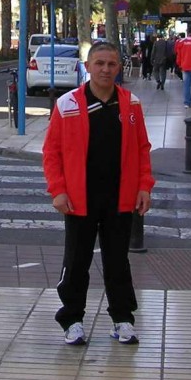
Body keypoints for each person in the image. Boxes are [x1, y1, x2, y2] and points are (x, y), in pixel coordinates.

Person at [43, 41, 155, 346]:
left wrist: (144, 186)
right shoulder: (67, 104)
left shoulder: (131, 105)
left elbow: (142, 149)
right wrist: (58, 191)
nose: (106, 69)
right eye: (100, 63)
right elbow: (51, 153)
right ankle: (72, 320)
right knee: (76, 261)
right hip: (79, 199)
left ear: (119, 67)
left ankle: (122, 319)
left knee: (118, 261)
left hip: (120, 197)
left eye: (112, 64)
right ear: (88, 66)